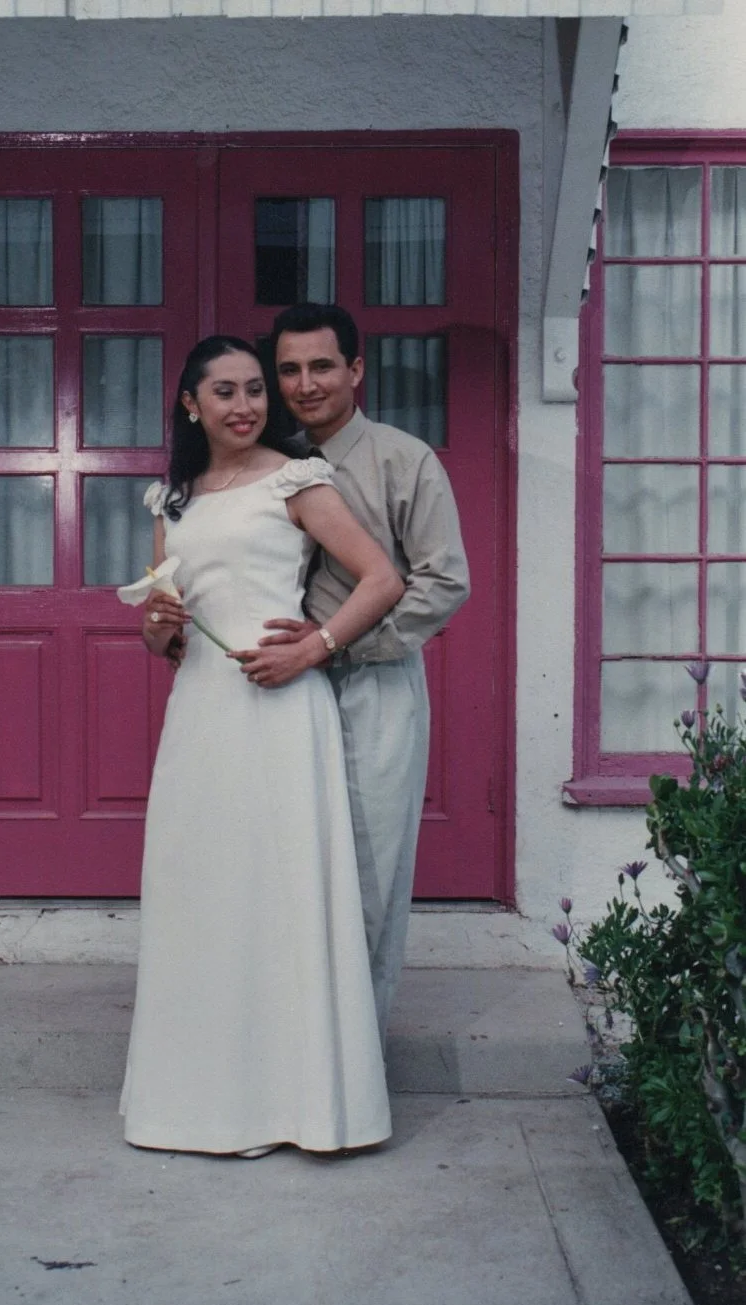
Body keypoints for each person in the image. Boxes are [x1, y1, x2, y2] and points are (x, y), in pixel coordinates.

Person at [118, 335, 404, 1157]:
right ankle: (198, 1107)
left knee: (281, 894)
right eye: (225, 391)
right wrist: (158, 626)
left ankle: (300, 1107)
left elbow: (383, 578)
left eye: (254, 389)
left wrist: (314, 647)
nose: (245, 405)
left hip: (280, 712)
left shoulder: (296, 479)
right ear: (191, 404)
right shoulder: (172, 501)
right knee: (202, 894)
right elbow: (161, 631)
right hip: (202, 712)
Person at [242, 304, 470, 1050]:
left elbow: (444, 581)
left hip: (373, 686)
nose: (305, 384)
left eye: (322, 366)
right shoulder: (266, 464)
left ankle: (358, 1060)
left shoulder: (403, 461)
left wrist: (336, 647)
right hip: (278, 693)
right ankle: (292, 1055)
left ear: (355, 370)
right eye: (289, 370)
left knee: (369, 875)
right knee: (287, 871)